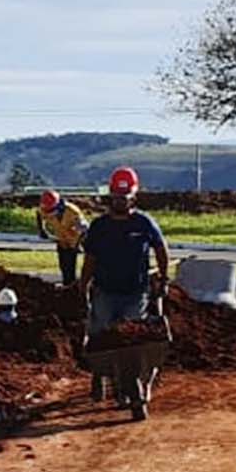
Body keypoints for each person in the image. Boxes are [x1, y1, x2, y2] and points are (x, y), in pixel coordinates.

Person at [80, 167, 169, 419]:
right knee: (102, 338)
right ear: (111, 197)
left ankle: (130, 388)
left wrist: (162, 278)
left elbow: (161, 249)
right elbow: (90, 259)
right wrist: (83, 284)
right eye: (117, 197)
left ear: (134, 197)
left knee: (131, 343)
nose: (121, 201)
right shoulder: (99, 227)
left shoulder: (144, 223)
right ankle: (102, 375)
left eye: (125, 197)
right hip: (105, 291)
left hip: (135, 292)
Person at [36, 190, 89, 285]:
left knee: (70, 265)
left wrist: (80, 244)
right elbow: (39, 214)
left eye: (50, 211)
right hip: (61, 240)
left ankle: (73, 286)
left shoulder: (72, 211)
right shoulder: (44, 208)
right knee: (63, 266)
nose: (48, 213)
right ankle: (66, 284)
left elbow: (84, 230)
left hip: (74, 240)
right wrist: (41, 230)